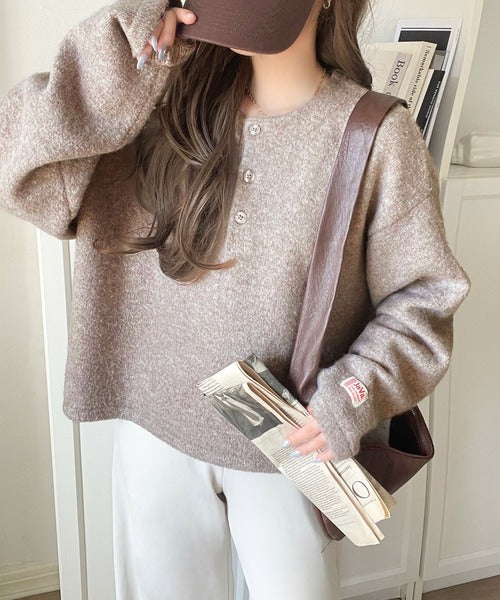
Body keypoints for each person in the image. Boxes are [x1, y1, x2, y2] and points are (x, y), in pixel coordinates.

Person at [0, 0, 471, 598]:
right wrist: (122, 49)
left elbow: (424, 296)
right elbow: (19, 169)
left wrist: (354, 393)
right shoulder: (151, 105)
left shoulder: (376, 133)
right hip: (155, 425)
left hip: (289, 440)